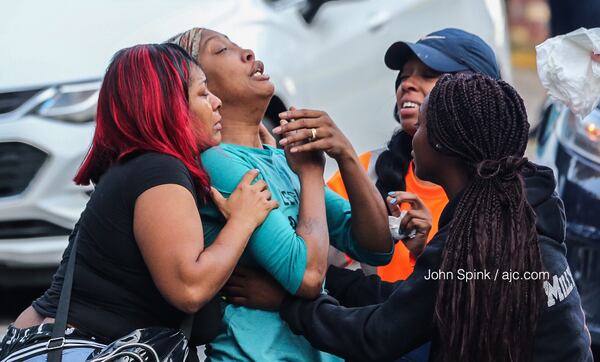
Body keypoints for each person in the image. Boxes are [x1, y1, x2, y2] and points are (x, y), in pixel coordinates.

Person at [225, 73, 593, 361]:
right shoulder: (520, 212)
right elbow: (411, 299)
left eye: (425, 125)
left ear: (446, 146)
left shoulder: (474, 243)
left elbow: (377, 336)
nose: (413, 132)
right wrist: (330, 281)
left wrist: (288, 304)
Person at [0, 43, 277, 360]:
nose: (216, 103)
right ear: (168, 105)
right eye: (202, 94)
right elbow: (190, 289)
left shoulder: (141, 166)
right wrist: (243, 220)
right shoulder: (159, 170)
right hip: (82, 347)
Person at [168, 28, 394, 361]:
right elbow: (307, 277)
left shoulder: (280, 160)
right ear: (200, 87)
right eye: (221, 51)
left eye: (238, 44)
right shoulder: (216, 162)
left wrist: (345, 154)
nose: (247, 52)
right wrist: (313, 173)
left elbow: (376, 248)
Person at [325, 28, 503, 281]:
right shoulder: (364, 170)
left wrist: (424, 254)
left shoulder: (505, 193)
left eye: (429, 74)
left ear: (475, 93)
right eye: (404, 76)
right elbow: (313, 260)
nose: (406, 84)